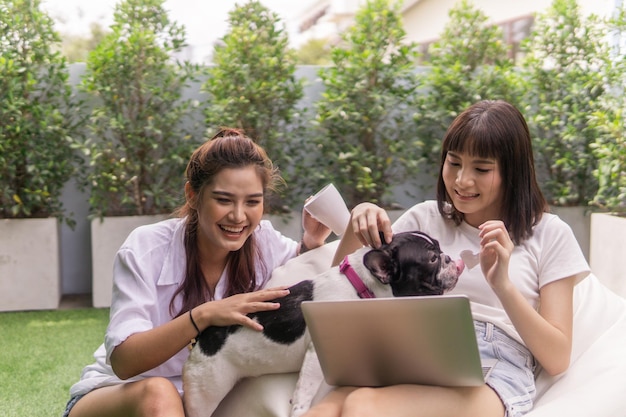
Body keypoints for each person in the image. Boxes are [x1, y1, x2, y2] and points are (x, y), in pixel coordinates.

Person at [305, 100, 590, 417]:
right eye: (454, 163)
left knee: (362, 407)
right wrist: (357, 222)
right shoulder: (423, 219)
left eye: (481, 169)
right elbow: (337, 299)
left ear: (514, 172)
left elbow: (557, 357)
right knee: (324, 410)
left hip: (493, 368)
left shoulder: (549, 233)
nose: (461, 181)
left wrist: (502, 286)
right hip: (409, 353)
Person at [63, 128, 331, 417]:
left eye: (252, 202)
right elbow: (125, 362)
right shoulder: (146, 247)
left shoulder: (263, 241)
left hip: (202, 401)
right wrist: (204, 315)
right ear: (192, 194)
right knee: (158, 393)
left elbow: (312, 279)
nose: (239, 216)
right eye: (224, 200)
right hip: (119, 394)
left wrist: (313, 242)